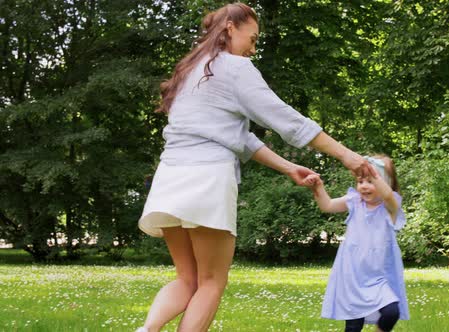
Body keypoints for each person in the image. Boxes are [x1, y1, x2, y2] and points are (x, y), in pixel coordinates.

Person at [135, 3, 374, 332]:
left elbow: (238, 137)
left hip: (170, 177)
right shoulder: (235, 68)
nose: (254, 48)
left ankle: (146, 330)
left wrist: (288, 167)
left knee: (186, 279)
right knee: (210, 282)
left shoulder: (189, 71)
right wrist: (346, 155)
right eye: (253, 38)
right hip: (207, 178)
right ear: (231, 28)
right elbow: (286, 120)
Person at [303, 155, 409, 332]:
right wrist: (318, 186)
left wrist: (369, 169)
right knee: (353, 326)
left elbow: (388, 194)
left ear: (386, 183)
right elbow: (327, 205)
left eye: (371, 180)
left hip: (379, 277)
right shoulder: (354, 202)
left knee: (391, 312)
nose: (364, 186)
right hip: (352, 275)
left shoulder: (390, 207)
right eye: (360, 181)